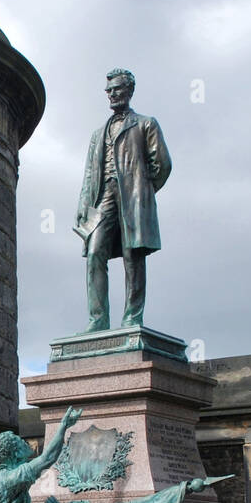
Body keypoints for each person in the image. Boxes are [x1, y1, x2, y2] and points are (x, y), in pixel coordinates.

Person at [73, 68, 171, 332]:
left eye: (117, 89)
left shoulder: (146, 123)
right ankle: (98, 319)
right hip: (103, 196)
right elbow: (89, 174)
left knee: (133, 256)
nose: (112, 94)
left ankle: (132, 316)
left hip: (134, 197)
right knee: (95, 253)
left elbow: (162, 164)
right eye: (109, 90)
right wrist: (84, 204)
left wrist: (143, 192)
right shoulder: (97, 134)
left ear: (129, 90)